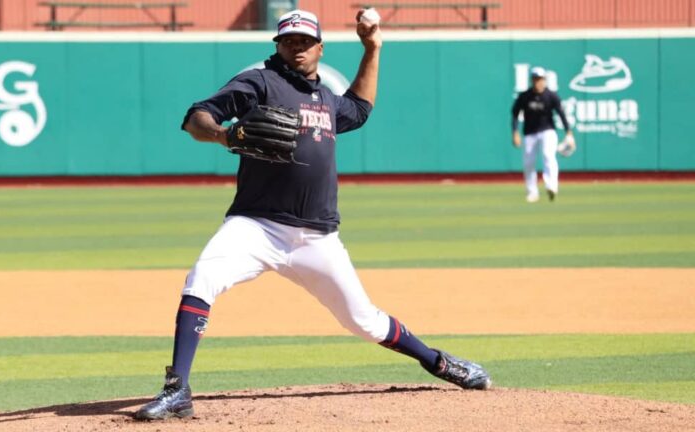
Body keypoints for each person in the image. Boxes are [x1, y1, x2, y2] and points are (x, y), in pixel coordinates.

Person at [134, 9, 491, 421]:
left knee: (366, 322)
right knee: (201, 278)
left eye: (305, 41)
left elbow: (358, 108)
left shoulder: (325, 99)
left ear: (320, 47)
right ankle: (177, 390)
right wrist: (223, 133)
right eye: (289, 41)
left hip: (317, 238)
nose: (297, 48)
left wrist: (372, 48)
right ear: (278, 46)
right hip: (257, 225)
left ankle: (437, 362)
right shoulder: (260, 82)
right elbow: (196, 117)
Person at [511, 66, 573, 203]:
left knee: (548, 155)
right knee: (528, 163)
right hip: (529, 133)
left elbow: (561, 114)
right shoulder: (525, 96)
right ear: (531, 80)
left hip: (547, 131)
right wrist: (515, 131)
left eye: (540, 79)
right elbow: (515, 113)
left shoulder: (551, 96)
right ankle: (532, 192)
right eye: (535, 79)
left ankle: (552, 186)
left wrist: (569, 132)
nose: (537, 81)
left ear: (544, 80)